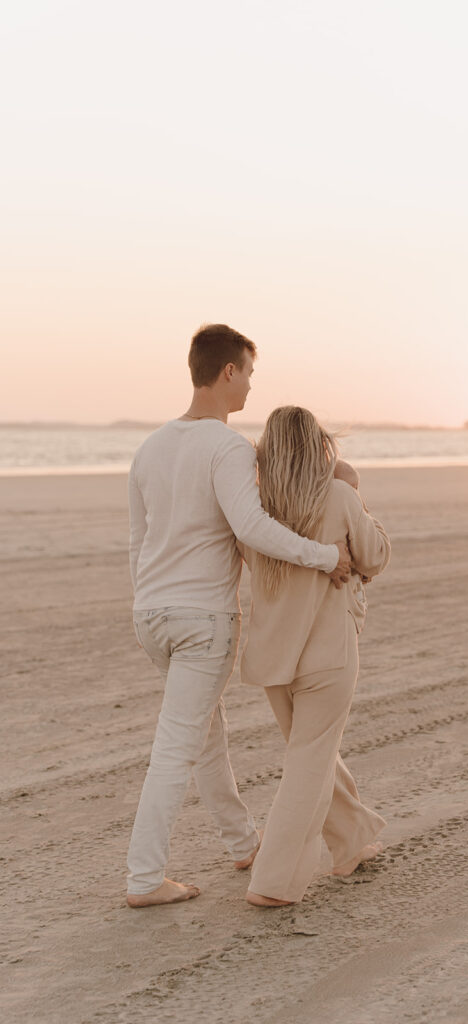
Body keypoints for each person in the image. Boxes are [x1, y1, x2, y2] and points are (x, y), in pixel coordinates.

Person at [126, 325, 351, 908]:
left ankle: (242, 841)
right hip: (202, 620)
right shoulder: (226, 448)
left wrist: (148, 598)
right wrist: (325, 556)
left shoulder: (150, 447)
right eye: (248, 372)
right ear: (228, 372)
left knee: (205, 738)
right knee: (179, 747)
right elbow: (252, 529)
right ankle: (144, 878)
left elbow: (138, 540)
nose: (251, 385)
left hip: (151, 612)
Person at [237, 406, 391, 907]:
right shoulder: (339, 495)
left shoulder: (252, 509)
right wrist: (356, 495)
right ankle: (274, 883)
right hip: (326, 653)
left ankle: (349, 842)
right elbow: (374, 557)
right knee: (309, 761)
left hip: (273, 659)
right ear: (318, 445)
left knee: (312, 753)